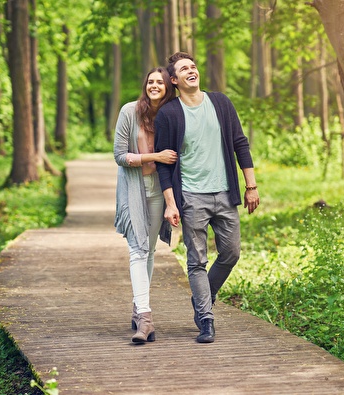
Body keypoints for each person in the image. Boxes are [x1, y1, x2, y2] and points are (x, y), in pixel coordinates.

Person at [154, 52, 260, 343]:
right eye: (184, 69)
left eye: (194, 66)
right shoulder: (169, 114)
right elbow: (164, 164)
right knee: (196, 260)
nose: (192, 71)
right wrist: (171, 202)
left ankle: (203, 297)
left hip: (225, 193)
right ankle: (206, 319)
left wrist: (251, 185)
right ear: (174, 80)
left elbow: (240, 143)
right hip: (191, 197)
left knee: (231, 253)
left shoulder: (221, 102)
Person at [114, 67, 177, 344]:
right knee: (137, 250)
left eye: (159, 82)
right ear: (145, 85)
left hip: (159, 189)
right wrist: (156, 156)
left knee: (149, 250)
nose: (154, 86)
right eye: (150, 81)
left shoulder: (171, 114)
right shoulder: (130, 111)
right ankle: (146, 318)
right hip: (133, 189)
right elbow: (119, 155)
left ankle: (138, 307)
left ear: (167, 88)